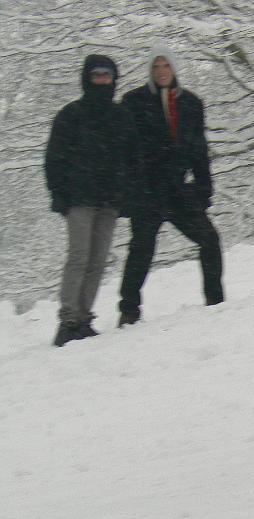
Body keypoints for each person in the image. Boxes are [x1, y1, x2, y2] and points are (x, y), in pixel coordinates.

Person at [117, 45, 223, 326]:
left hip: (179, 189)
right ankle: (128, 310)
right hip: (146, 190)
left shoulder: (191, 103)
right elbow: (124, 152)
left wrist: (204, 188)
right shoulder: (133, 102)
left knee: (209, 239)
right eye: (156, 67)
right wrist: (128, 192)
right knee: (141, 249)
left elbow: (200, 149)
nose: (162, 72)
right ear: (150, 71)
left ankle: (216, 301)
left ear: (174, 69)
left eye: (166, 66)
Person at [45, 55, 139, 347]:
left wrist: (127, 195)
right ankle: (68, 319)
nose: (101, 79)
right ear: (87, 78)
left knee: (98, 260)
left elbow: (132, 158)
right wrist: (58, 195)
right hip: (79, 199)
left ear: (113, 79)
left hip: (109, 201)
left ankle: (84, 317)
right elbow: (54, 158)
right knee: (79, 256)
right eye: (96, 74)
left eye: (106, 75)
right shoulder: (71, 114)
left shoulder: (121, 115)